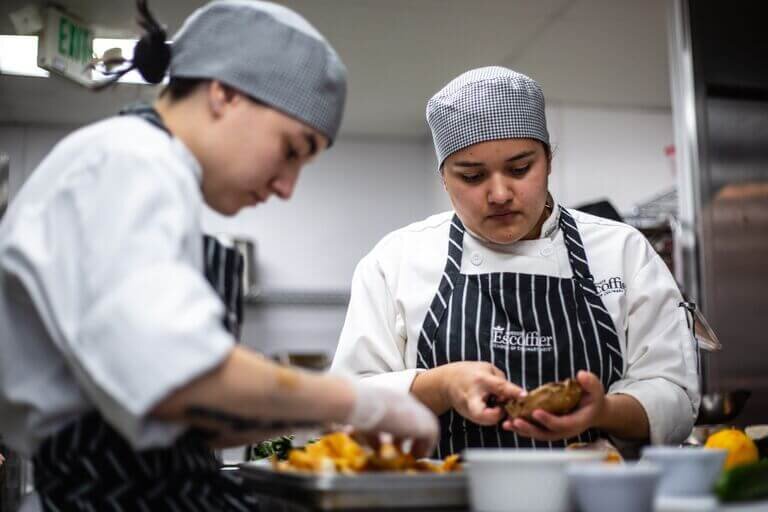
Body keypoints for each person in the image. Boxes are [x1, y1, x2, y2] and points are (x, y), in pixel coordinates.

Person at [0, 1, 437, 510]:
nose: (287, 187)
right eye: (291, 150)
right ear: (225, 92)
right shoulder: (128, 162)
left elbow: (175, 409)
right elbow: (179, 375)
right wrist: (356, 400)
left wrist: (307, 414)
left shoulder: (146, 171)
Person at [331, 67, 699, 457]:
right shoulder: (397, 261)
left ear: (549, 160)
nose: (500, 194)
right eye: (472, 177)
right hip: (444, 490)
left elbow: (674, 396)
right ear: (443, 178)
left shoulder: (622, 251)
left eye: (520, 169)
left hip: (595, 489)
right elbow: (346, 407)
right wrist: (440, 387)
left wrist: (603, 411)